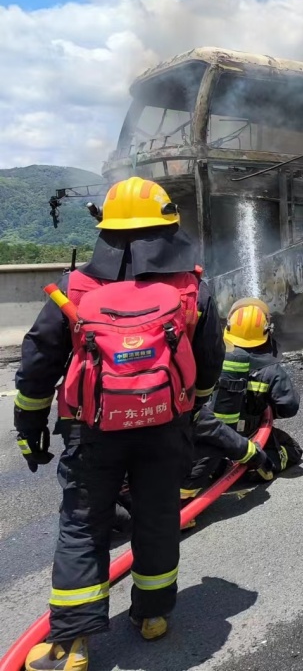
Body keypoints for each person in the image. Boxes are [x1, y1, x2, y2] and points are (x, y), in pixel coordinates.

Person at [14, 177, 227, 669]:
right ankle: (152, 616)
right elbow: (210, 359)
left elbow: (39, 361)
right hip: (164, 427)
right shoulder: (193, 287)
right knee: (157, 518)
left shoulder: (75, 288)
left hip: (92, 430)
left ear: (105, 231)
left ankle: (73, 644)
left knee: (84, 525)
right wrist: (188, 413)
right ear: (170, 227)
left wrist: (30, 425)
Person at [183, 298, 301, 496]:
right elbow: (289, 406)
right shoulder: (270, 369)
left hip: (201, 437)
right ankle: (259, 465)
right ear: (266, 332)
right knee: (293, 449)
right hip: (250, 435)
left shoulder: (208, 360)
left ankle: (220, 468)